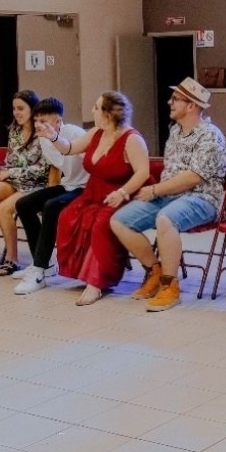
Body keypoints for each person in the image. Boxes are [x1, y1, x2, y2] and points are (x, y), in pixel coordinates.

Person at [110, 77, 226, 312]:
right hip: (169, 196)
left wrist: (155, 190)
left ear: (191, 105)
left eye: (175, 99)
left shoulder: (210, 136)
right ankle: (154, 271)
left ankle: (170, 285)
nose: (169, 103)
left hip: (202, 198)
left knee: (165, 219)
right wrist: (159, 192)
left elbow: (193, 177)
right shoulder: (175, 131)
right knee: (119, 221)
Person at [50, 91, 150, 305]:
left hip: (121, 194)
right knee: (68, 216)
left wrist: (122, 192)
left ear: (108, 114)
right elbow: (69, 148)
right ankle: (83, 272)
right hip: (93, 192)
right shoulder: (96, 133)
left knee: (101, 224)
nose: (92, 111)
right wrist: (53, 137)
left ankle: (97, 282)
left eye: (96, 107)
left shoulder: (132, 139)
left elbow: (143, 172)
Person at [14, 97, 89, 295]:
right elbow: (57, 168)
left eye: (43, 121)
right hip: (68, 184)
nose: (38, 125)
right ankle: (44, 264)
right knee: (24, 204)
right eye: (36, 121)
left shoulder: (75, 134)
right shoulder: (42, 138)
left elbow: (93, 162)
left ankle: (39, 271)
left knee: (52, 206)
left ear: (57, 121)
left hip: (86, 187)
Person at [0, 90, 47, 275]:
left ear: (32, 109)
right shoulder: (15, 131)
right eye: (14, 109)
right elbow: (10, 161)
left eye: (21, 108)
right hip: (16, 181)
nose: (16, 112)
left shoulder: (42, 132)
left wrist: (12, 172)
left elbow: (42, 169)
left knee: (3, 209)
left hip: (37, 185)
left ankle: (12, 259)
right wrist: (0, 174)